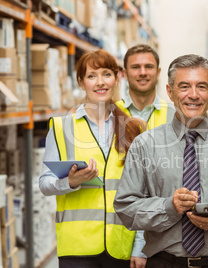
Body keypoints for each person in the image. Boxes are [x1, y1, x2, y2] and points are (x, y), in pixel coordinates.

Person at [114, 54, 208, 268]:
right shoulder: (145, 145)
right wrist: (168, 207)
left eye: (202, 87)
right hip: (164, 263)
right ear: (170, 91)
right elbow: (125, 206)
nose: (193, 95)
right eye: (184, 86)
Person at [39, 50, 147, 268]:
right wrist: (70, 182)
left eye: (107, 74)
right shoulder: (61, 128)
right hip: (77, 248)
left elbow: (144, 192)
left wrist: (140, 246)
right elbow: (44, 184)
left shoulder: (133, 128)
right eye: (91, 76)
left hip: (120, 247)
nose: (100, 82)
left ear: (117, 79)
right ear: (81, 82)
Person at [115, 44, 175, 129]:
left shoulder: (174, 115)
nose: (143, 72)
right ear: (125, 74)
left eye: (149, 67)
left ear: (158, 72)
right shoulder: (111, 113)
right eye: (135, 67)